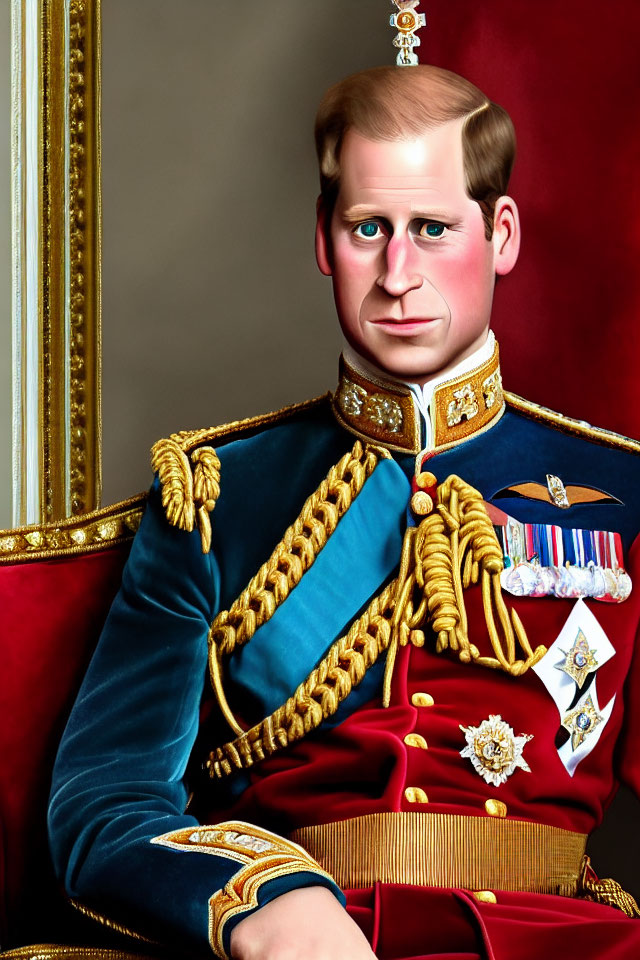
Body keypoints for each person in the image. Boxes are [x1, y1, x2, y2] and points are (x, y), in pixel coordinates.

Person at [48, 65, 640, 960]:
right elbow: (103, 799)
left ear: (502, 234)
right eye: (371, 229)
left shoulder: (623, 492)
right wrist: (264, 904)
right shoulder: (217, 497)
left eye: (433, 230)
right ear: (325, 241)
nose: (399, 275)